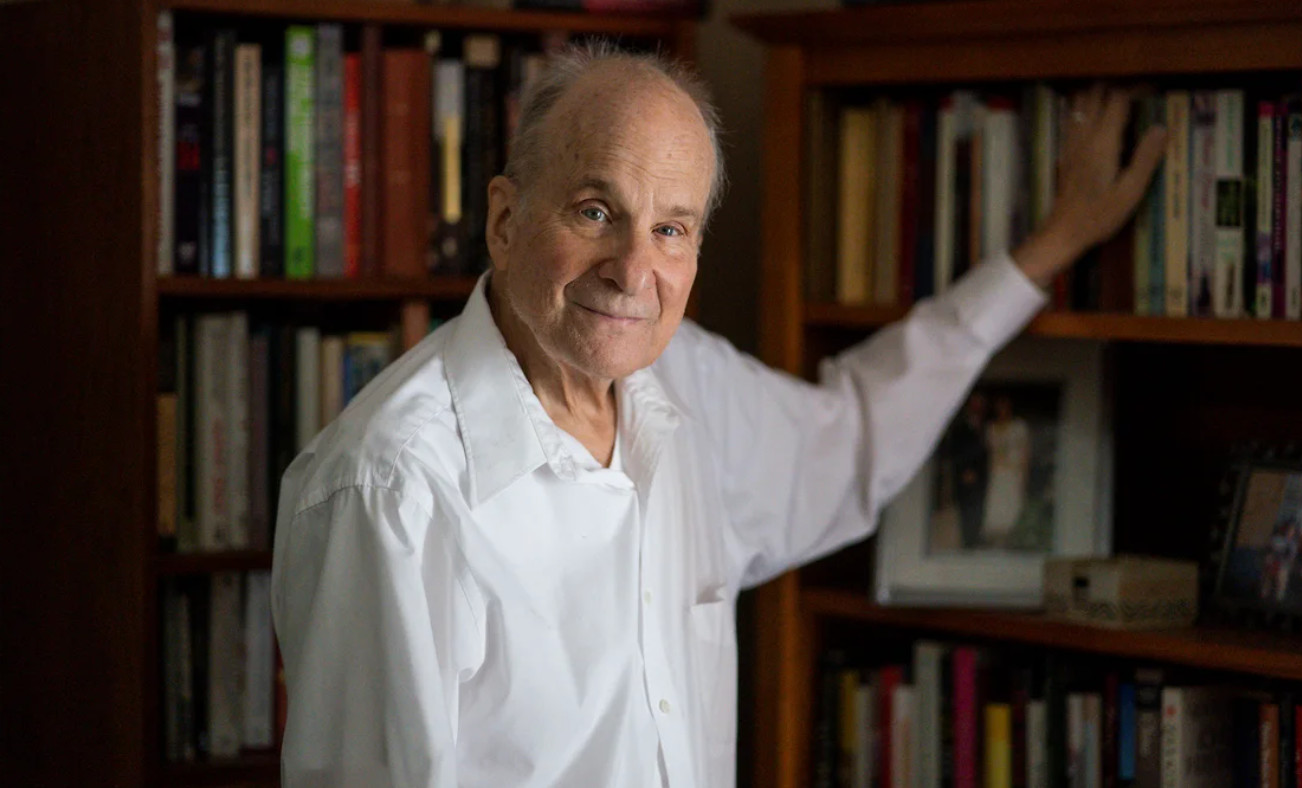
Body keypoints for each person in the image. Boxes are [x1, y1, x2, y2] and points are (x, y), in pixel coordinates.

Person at [271, 42, 1166, 788]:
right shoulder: (391, 489)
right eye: (595, 211)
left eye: (671, 229)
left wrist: (1054, 245)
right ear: (504, 220)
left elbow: (855, 439)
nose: (633, 270)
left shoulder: (686, 385)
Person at [982, 394, 1031, 545]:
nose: (1002, 410)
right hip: (997, 473)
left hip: (1014, 473)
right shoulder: (991, 428)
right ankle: (997, 540)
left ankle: (1013, 537)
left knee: (1013, 504)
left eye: (1004, 406)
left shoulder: (1019, 426)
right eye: (999, 407)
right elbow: (990, 453)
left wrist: (1024, 475)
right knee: (997, 504)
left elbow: (1025, 452)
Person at [947, 392, 990, 549]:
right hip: (966, 475)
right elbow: (955, 450)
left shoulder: (986, 425)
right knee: (966, 508)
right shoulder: (960, 427)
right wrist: (965, 470)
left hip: (983, 475)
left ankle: (977, 538)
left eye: (980, 405)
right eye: (975, 405)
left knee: (980, 507)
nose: (978, 408)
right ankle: (968, 541)